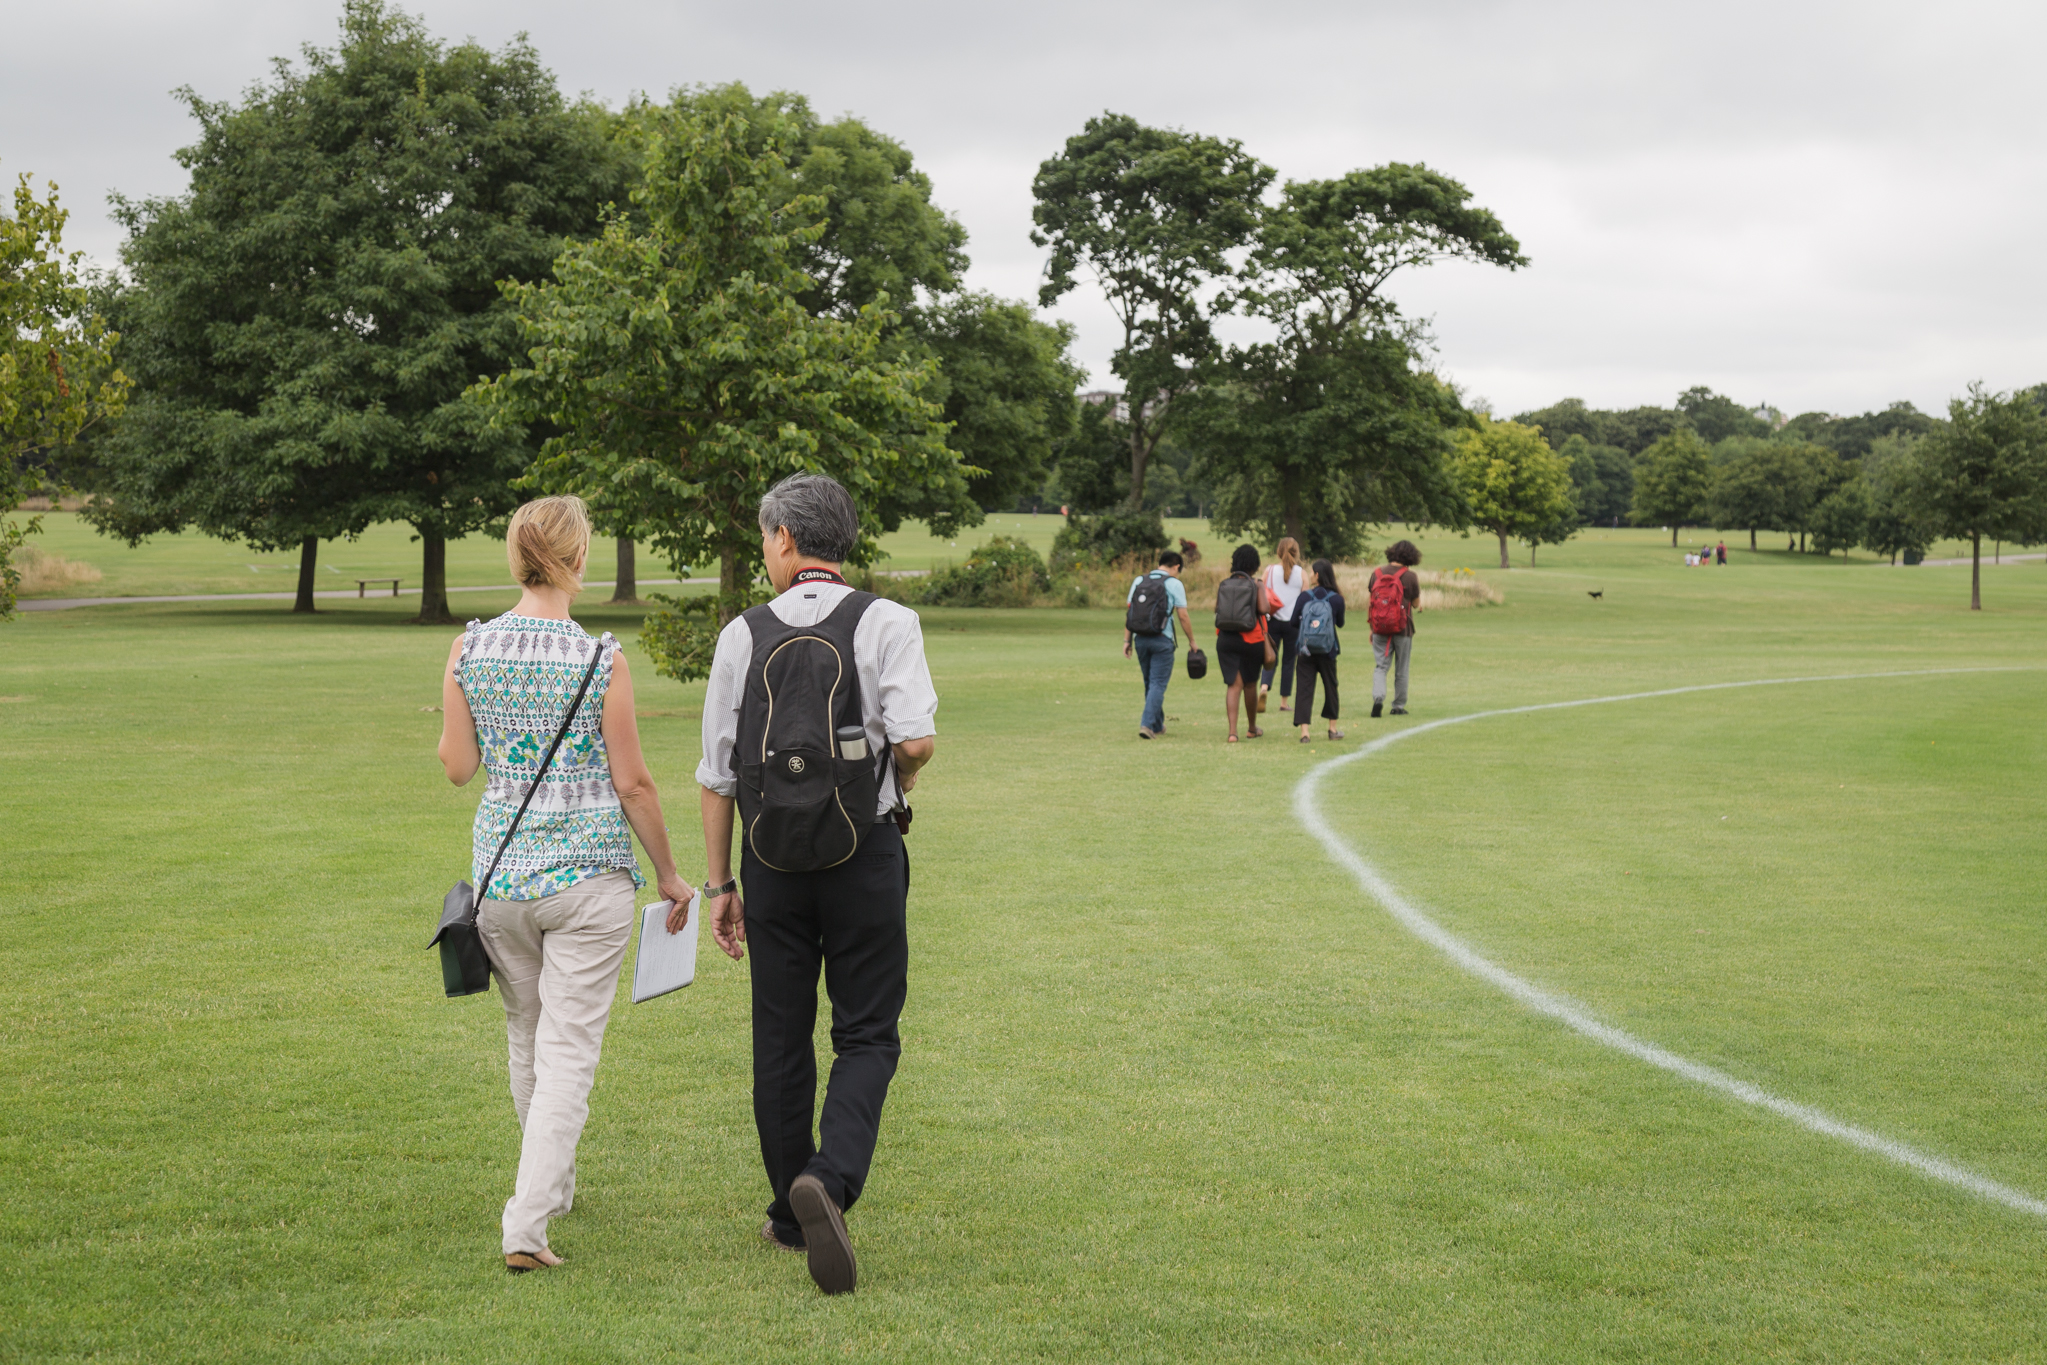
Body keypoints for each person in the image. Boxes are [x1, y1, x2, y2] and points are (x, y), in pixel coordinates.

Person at [436, 494, 696, 1274]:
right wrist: (672, 875)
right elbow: (635, 784)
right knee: (569, 1048)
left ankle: (547, 1187)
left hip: (500, 880)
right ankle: (527, 1219)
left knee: (529, 1037)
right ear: (577, 560)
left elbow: (456, 767)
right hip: (587, 880)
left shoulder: (467, 649)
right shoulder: (600, 658)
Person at [696, 473, 937, 1296]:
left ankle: (785, 1206)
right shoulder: (887, 620)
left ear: (787, 540)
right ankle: (828, 1181)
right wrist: (887, 770)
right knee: (867, 1031)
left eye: (766, 537)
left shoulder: (741, 633)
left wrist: (719, 881)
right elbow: (918, 741)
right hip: (862, 848)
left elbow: (716, 774)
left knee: (779, 1033)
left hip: (769, 860)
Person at [1124, 549, 1197, 739]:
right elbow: (1182, 615)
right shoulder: (1174, 584)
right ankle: (1147, 725)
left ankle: (1157, 724)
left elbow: (1131, 612)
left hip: (1140, 639)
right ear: (1176, 566)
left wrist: (1127, 640)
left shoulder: (1139, 581)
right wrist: (1191, 640)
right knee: (1157, 683)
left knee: (1150, 682)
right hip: (1162, 640)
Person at [1216, 544, 1280, 743]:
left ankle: (1232, 733)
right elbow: (1264, 608)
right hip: (1251, 639)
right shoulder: (1256, 583)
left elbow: (1217, 609)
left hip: (1226, 639)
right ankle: (1252, 728)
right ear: (1254, 564)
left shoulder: (1225, 584)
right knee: (1250, 684)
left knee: (1233, 686)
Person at [1292, 559, 1346, 742]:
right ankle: (1332, 729)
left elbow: (1293, 622)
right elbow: (1340, 623)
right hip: (1328, 650)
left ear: (1317, 575)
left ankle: (1305, 732)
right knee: (1331, 687)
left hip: (1305, 649)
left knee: (1304, 688)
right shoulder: (1337, 599)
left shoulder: (1305, 597)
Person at [1369, 540, 1422, 718]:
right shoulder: (1410, 576)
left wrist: (1372, 627)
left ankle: (1378, 698)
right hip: (1403, 628)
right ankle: (1398, 705)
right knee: (1402, 668)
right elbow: (1414, 603)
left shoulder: (1376, 574)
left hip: (1379, 627)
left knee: (1380, 667)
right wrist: (1419, 605)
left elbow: (1373, 602)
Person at [1258, 537, 1306, 718]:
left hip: (1272, 620)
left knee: (1270, 658)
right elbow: (1305, 599)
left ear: (1279, 552)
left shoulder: (1269, 570)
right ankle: (1284, 702)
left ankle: (1264, 687)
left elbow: (1260, 592)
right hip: (1294, 623)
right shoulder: (1301, 573)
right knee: (1288, 662)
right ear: (1296, 552)